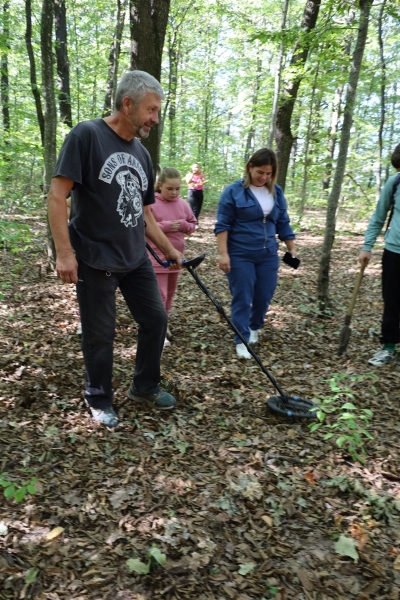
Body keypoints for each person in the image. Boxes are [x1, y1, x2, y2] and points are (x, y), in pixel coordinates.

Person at [47, 70, 183, 427]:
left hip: (134, 257)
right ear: (128, 104)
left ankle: (144, 386)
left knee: (155, 319)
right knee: (100, 334)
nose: (155, 118)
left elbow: (146, 214)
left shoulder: (141, 153)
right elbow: (58, 195)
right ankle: (99, 398)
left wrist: (169, 249)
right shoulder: (86, 136)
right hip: (94, 257)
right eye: (151, 110)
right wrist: (64, 253)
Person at [214, 148, 297, 359]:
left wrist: (292, 248)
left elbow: (283, 223)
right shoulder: (233, 191)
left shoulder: (276, 192)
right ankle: (241, 339)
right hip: (240, 252)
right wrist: (223, 254)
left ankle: (254, 326)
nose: (264, 177)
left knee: (264, 295)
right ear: (250, 167)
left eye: (269, 173)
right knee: (243, 296)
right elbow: (222, 225)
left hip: (268, 254)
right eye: (260, 172)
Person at [359, 144, 400, 367]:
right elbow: (378, 216)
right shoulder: (394, 184)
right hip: (394, 251)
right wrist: (367, 246)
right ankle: (389, 347)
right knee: (392, 301)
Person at [146, 167, 197, 347]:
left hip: (177, 258)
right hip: (156, 258)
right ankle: (157, 332)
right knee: (159, 296)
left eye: (177, 189)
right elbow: (145, 226)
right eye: (170, 189)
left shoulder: (183, 204)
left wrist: (183, 224)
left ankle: (163, 325)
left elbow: (192, 224)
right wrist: (168, 225)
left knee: (169, 295)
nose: (174, 192)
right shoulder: (151, 203)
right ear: (160, 185)